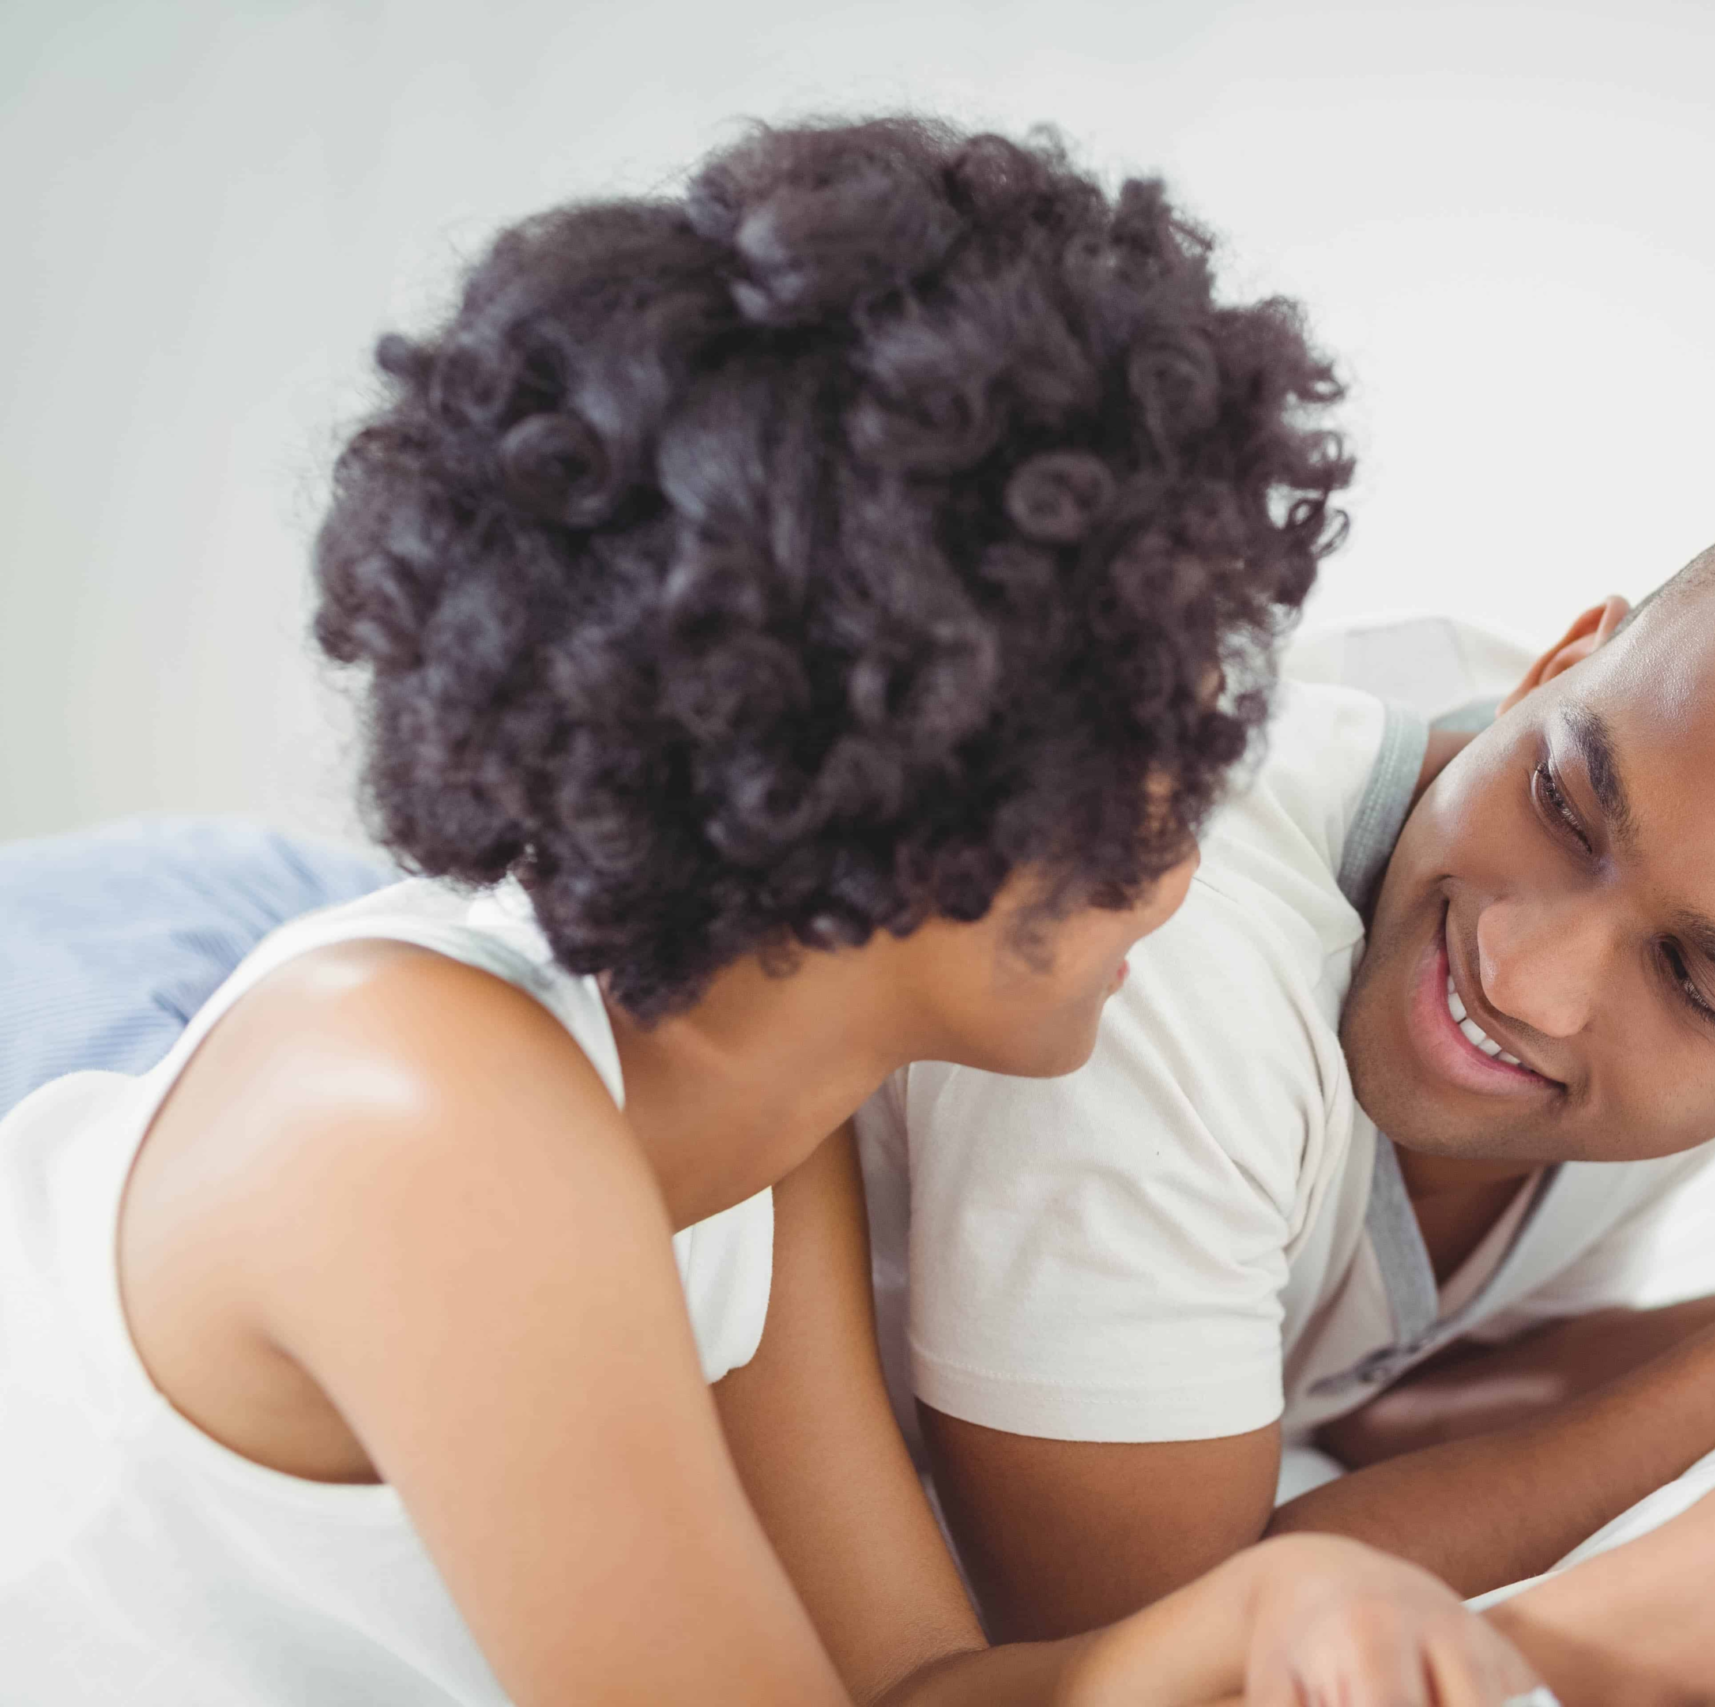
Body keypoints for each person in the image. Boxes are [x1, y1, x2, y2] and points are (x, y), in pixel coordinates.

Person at [0, 113, 1576, 1707]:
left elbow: (905, 1685)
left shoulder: (754, 1132)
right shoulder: (429, 1113)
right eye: (1157, 735)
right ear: (921, 765)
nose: (1199, 820)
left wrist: (1274, 1604)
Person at [858, 500, 1715, 1642]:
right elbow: (1150, 1639)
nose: (1522, 973)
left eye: (1690, 981)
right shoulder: (1169, 952)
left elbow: (1394, 1400)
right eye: (1562, 807)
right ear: (1554, 667)